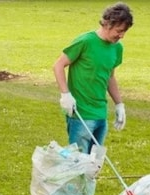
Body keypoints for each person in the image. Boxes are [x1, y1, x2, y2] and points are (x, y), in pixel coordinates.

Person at [53, 2, 133, 154]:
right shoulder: (85, 41)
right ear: (108, 23)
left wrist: (119, 104)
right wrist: (65, 94)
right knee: (78, 161)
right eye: (119, 30)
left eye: (124, 32)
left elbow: (110, 76)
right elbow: (58, 65)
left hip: (100, 114)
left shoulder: (117, 48)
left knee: (93, 164)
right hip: (81, 114)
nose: (121, 35)